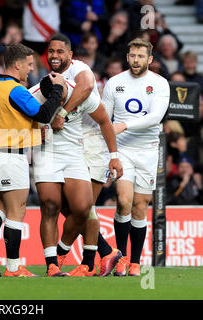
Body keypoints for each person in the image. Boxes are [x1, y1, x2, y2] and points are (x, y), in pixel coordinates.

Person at [29, 33, 122, 277]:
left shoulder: (80, 79)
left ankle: (68, 251)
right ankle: (58, 263)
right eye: (51, 52)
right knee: (52, 206)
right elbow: (18, 116)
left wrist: (114, 155)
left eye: (60, 52)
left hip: (85, 149)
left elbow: (102, 117)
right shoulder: (38, 90)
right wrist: (34, 133)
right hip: (48, 153)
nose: (55, 56)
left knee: (82, 209)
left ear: (70, 55)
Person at [0, 43, 66, 277]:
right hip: (10, 157)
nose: (30, 69)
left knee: (1, 208)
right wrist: (57, 89)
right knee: (18, 211)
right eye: (28, 64)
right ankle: (14, 267)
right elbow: (44, 114)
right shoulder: (16, 91)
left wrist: (35, 134)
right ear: (17, 64)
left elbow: (7, 121)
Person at [102, 38, 170, 276]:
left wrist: (123, 125)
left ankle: (135, 262)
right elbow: (104, 119)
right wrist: (109, 149)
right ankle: (120, 257)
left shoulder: (160, 84)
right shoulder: (114, 83)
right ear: (127, 56)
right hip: (122, 150)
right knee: (123, 200)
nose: (136, 60)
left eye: (141, 56)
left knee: (140, 206)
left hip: (148, 150)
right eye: (132, 56)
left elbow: (154, 117)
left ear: (150, 59)